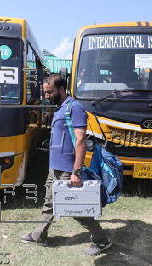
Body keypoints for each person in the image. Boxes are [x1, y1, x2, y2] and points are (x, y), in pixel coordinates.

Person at [20, 76, 112, 256]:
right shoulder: (60, 108)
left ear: (61, 89)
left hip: (68, 169)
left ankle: (102, 240)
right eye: (45, 92)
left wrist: (76, 171)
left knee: (77, 209)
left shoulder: (74, 107)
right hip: (55, 167)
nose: (46, 95)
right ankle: (39, 235)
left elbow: (80, 141)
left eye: (50, 92)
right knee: (49, 203)